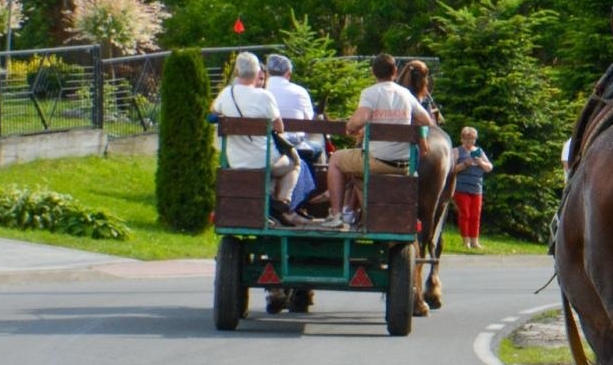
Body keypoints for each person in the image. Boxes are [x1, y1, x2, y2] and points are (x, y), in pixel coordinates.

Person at [319, 53, 434, 229]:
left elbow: (359, 120)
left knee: (336, 160)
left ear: (374, 73)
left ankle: (337, 216)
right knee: (355, 164)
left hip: (377, 160)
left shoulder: (371, 93)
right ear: (395, 71)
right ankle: (357, 210)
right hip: (404, 163)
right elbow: (426, 120)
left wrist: (351, 126)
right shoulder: (405, 94)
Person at [211, 51, 298, 209]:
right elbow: (279, 127)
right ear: (258, 73)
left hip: (236, 161)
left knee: (272, 170)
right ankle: (283, 201)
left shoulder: (226, 94)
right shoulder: (264, 96)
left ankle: (268, 205)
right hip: (264, 160)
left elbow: (213, 110)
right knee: (294, 165)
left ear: (237, 72)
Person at [453, 127, 493, 249]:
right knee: (465, 214)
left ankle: (475, 241)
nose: (470, 142)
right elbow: (451, 169)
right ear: (462, 139)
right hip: (461, 188)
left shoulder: (479, 151)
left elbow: (489, 167)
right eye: (468, 139)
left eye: (473, 139)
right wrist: (465, 163)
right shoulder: (457, 151)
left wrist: (480, 162)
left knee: (476, 215)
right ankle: (466, 242)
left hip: (476, 188)